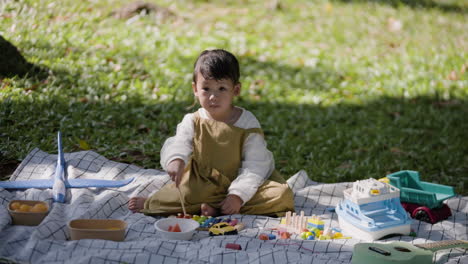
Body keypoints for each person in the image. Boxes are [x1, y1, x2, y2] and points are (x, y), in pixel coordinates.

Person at [128, 49, 294, 217]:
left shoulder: (247, 124)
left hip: (242, 180)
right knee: (183, 193)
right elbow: (180, 142)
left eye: (222, 88)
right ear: (195, 89)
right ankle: (154, 202)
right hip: (202, 183)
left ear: (235, 90)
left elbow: (255, 165)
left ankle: (222, 206)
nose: (213, 96)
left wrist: (237, 195)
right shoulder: (194, 120)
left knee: (281, 196)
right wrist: (176, 159)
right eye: (206, 88)